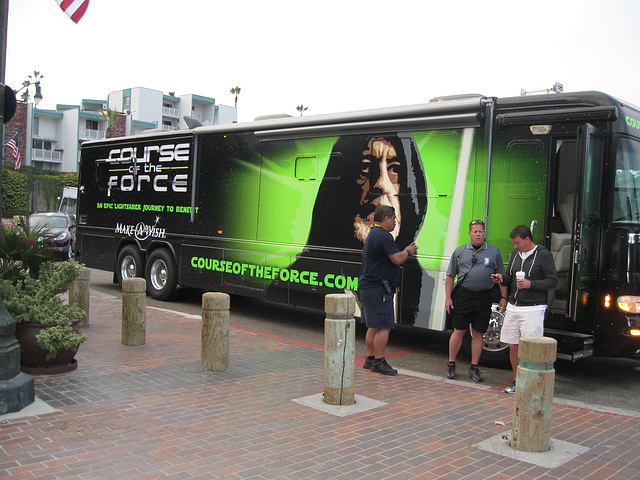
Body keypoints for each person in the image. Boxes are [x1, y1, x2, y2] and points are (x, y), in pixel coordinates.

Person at [493, 225, 558, 394]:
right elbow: (510, 276)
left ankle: (532, 383)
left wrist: (531, 284)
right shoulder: (516, 255)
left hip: (533, 308)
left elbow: (552, 281)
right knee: (513, 345)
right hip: (515, 306)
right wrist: (502, 279)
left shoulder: (543, 255)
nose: (515, 246)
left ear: (527, 239)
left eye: (517, 243)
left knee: (531, 346)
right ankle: (517, 380)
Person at [444, 220, 508, 382]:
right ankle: (451, 364)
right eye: (475, 231)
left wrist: (503, 297)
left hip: (484, 297)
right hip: (464, 296)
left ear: (484, 233)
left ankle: (474, 367)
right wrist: (448, 297)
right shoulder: (460, 252)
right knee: (459, 330)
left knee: (479, 333)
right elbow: (450, 275)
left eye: (481, 231)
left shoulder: (494, 252)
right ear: (469, 234)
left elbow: (502, 277)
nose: (478, 234)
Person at [359, 204, 418, 375]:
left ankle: (370, 358)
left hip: (368, 287)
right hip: (378, 288)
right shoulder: (383, 236)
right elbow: (397, 259)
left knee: (373, 325)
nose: (395, 222)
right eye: (393, 218)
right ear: (386, 219)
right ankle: (379, 361)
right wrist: (408, 250)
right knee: (384, 325)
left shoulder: (374, 233)